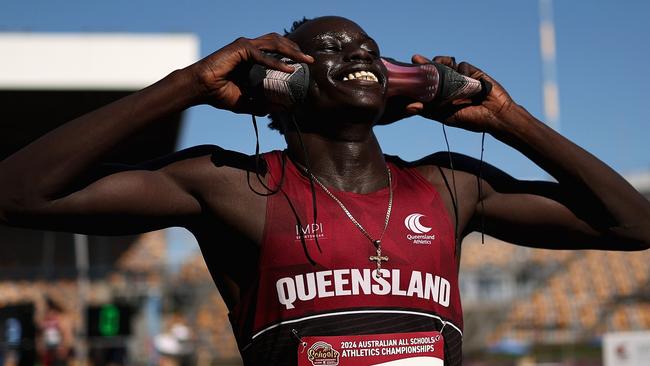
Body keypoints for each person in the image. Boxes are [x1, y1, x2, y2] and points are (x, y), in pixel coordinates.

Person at [0, 15, 648, 365]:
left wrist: (510, 119)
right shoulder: (231, 186)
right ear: (280, 89)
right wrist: (188, 85)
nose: (358, 52)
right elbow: (21, 193)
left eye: (368, 47)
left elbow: (633, 226)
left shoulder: (451, 186)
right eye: (331, 49)